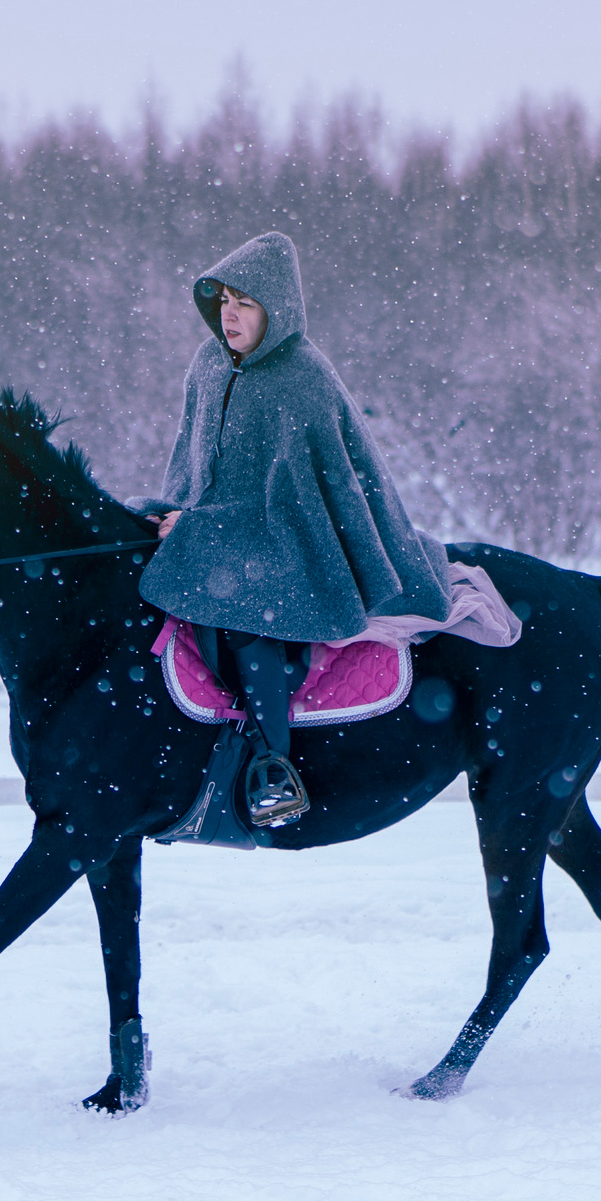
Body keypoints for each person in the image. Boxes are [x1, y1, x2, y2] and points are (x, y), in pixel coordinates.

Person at [139, 231, 454, 826]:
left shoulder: (302, 379)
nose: (230, 315)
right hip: (211, 533)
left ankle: (271, 766)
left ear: (276, 310)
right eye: (224, 300)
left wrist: (200, 531)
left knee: (247, 618)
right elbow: (189, 464)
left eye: (246, 303)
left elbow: (298, 507)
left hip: (296, 549)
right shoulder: (208, 365)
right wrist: (171, 513)